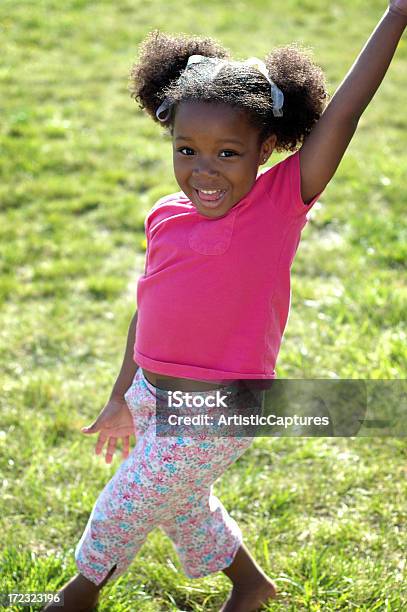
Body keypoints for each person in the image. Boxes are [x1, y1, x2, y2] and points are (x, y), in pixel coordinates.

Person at [43, 3, 407, 611]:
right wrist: (119, 395)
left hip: (224, 405)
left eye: (228, 154)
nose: (203, 170)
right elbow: (148, 308)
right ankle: (250, 586)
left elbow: (344, 113)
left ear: (266, 147)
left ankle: (77, 598)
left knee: (125, 504)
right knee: (182, 504)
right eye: (187, 150)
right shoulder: (164, 214)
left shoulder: (277, 206)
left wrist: (397, 13)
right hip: (152, 393)